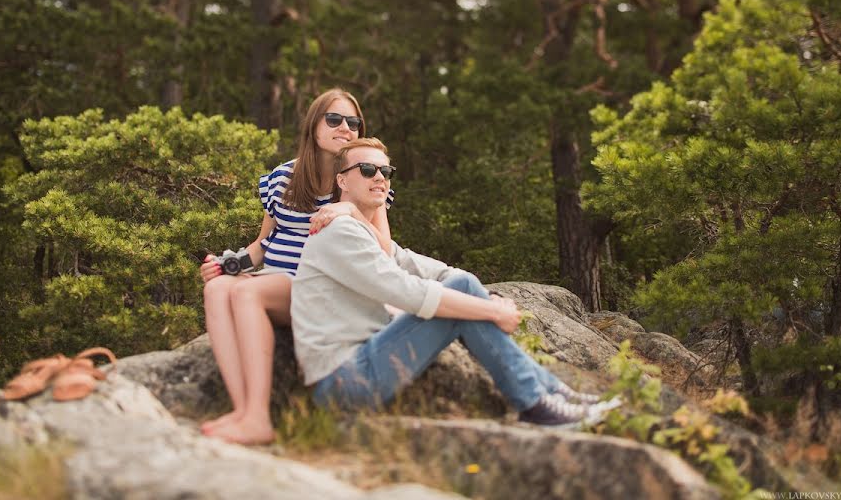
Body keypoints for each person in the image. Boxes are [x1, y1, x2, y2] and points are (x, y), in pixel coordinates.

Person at [291, 138, 621, 427]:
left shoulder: (360, 229)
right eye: (367, 169)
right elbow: (407, 291)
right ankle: (537, 402)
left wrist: (485, 299)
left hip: (363, 365)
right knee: (460, 292)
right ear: (341, 180)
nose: (379, 177)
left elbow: (421, 266)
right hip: (343, 380)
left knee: (460, 281)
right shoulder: (340, 232)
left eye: (386, 172)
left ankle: (548, 392)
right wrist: (490, 311)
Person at [199, 89, 394, 445]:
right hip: (276, 280)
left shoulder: (364, 174)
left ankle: (259, 417)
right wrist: (231, 264)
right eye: (334, 119)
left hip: (324, 290)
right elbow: (262, 244)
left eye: (354, 122)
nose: (345, 128)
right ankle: (242, 410)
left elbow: (385, 249)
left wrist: (350, 210)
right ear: (313, 126)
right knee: (217, 289)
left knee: (247, 291)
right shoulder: (282, 178)